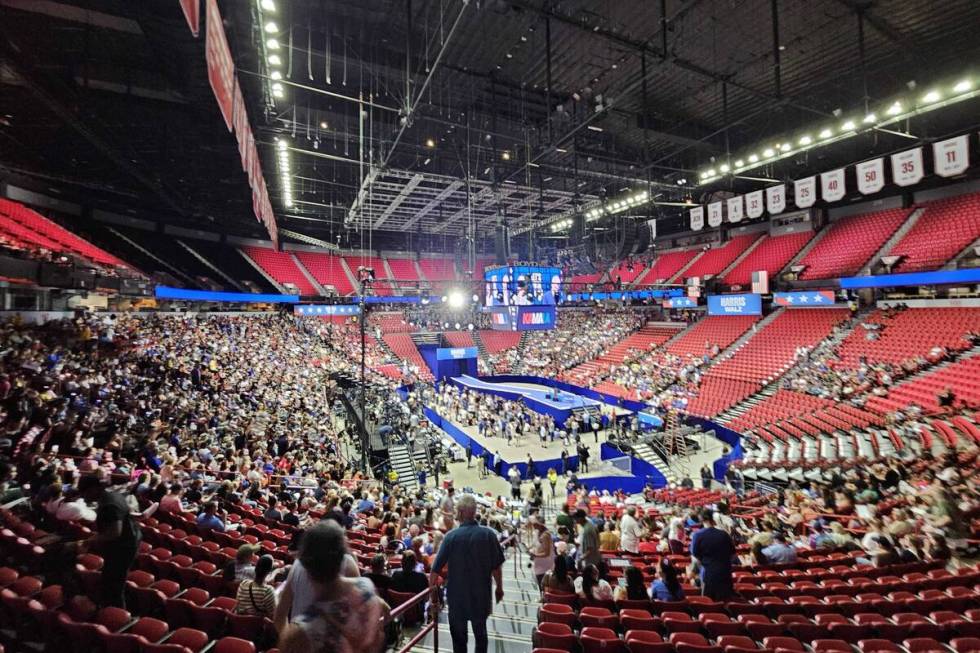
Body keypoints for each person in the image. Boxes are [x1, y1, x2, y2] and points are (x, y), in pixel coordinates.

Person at [277, 522, 386, 653]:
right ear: (342, 557)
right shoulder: (366, 587)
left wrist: (290, 641)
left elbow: (280, 615)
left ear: (307, 567)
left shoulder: (300, 632)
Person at [429, 494, 505, 653]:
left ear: (462, 512)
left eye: (457, 510)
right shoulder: (488, 535)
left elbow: (435, 571)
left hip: (457, 600)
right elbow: (496, 567)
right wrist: (499, 588)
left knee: (459, 642)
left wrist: (432, 599)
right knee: (481, 636)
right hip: (481, 598)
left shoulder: (450, 537)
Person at [77, 475, 143, 608]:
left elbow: (114, 532)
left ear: (94, 489)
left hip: (123, 547)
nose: (83, 497)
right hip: (124, 541)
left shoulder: (110, 504)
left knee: (115, 583)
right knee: (111, 578)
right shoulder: (113, 496)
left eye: (85, 493)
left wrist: (90, 540)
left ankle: (117, 615)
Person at [689, 509, 735, 600]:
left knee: (709, 604)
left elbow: (695, 556)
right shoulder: (724, 534)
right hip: (725, 574)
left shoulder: (698, 535)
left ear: (701, 519)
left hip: (708, 575)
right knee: (725, 604)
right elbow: (732, 555)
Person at [527, 516, 555, 589]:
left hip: (545, 565)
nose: (533, 525)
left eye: (535, 524)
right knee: (541, 584)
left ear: (541, 524)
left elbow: (547, 553)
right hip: (539, 563)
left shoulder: (545, 535)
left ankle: (544, 599)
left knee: (544, 585)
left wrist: (535, 555)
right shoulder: (538, 532)